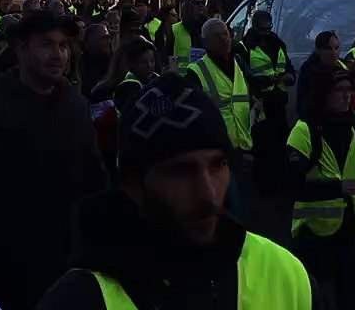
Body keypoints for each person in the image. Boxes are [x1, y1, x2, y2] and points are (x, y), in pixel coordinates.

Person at [36, 72, 316, 310]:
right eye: (181, 172)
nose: (209, 194)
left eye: (218, 165)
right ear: (133, 184)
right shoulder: (82, 299)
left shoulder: (286, 274)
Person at [0, 11, 108, 310]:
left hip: (71, 259)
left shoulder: (75, 106)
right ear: (22, 49)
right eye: (47, 44)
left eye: (63, 46)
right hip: (15, 265)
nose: (58, 55)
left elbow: (95, 177)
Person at [288, 61, 355, 310]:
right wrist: (337, 188)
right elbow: (291, 187)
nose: (347, 96)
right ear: (323, 93)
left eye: (349, 90)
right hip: (316, 235)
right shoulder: (304, 131)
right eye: (340, 90)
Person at [184, 18, 254, 217]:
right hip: (218, 148)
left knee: (244, 204)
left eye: (226, 33)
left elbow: (247, 95)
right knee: (230, 206)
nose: (225, 39)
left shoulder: (238, 63)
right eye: (217, 36)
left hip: (243, 145)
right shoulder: (196, 71)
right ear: (206, 42)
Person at [235, 10, 295, 197]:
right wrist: (259, 88)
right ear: (255, 27)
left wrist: (289, 76)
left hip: (279, 104)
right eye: (263, 29)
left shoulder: (277, 43)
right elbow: (242, 77)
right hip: (260, 105)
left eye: (269, 28)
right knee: (262, 149)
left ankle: (279, 187)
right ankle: (263, 190)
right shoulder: (245, 47)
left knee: (279, 147)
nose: (266, 33)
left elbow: (288, 67)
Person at [164, 0, 207, 72]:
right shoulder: (175, 30)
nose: (200, 5)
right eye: (197, 3)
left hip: (202, 77)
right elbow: (169, 57)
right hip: (182, 77)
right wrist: (174, 76)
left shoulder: (208, 29)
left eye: (202, 3)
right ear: (188, 6)